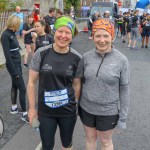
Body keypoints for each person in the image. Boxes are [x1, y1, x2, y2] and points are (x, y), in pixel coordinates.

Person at [27, 16, 81, 150]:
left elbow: (77, 85)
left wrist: (76, 105)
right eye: (60, 31)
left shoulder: (77, 58)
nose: (63, 36)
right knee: (47, 145)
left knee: (67, 144)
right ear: (54, 32)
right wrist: (32, 109)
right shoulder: (41, 53)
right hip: (46, 112)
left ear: (72, 35)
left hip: (68, 111)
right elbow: (31, 83)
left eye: (67, 32)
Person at [77, 18, 130, 150]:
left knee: (105, 142)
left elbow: (124, 90)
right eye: (98, 36)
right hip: (86, 108)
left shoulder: (121, 60)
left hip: (108, 111)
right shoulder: (86, 57)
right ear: (93, 36)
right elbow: (78, 82)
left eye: (106, 36)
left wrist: (123, 118)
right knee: (90, 138)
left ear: (112, 36)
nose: (102, 40)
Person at [1, 15, 28, 123]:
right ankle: (25, 114)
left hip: (17, 63)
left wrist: (19, 48)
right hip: (13, 66)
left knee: (15, 86)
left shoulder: (12, 33)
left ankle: (14, 108)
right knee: (23, 89)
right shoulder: (5, 35)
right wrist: (14, 72)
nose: (20, 26)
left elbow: (14, 46)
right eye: (19, 24)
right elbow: (7, 56)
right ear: (14, 24)